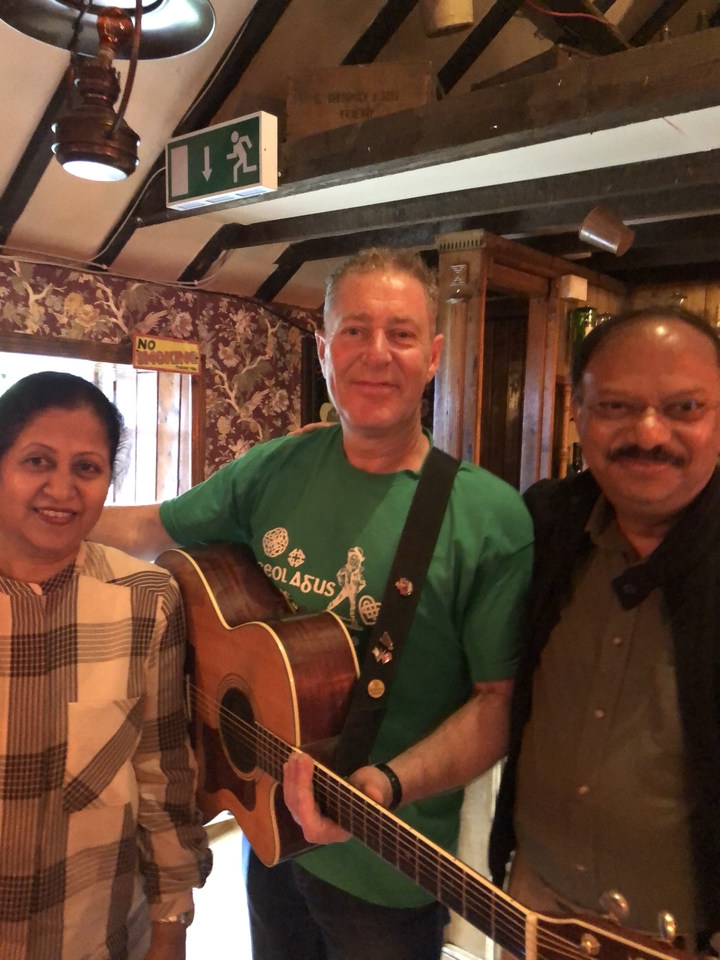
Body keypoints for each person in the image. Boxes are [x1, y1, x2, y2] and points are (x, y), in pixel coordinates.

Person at [90, 249, 534, 960]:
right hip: (270, 834)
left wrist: (389, 784)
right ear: (324, 350)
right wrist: (37, 519)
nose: (376, 355)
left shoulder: (488, 517)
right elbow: (152, 529)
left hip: (388, 870)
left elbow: (497, 702)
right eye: (354, 331)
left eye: (402, 333)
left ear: (434, 356)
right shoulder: (276, 467)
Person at [487, 307, 720, 955]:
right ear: (579, 415)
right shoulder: (544, 524)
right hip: (537, 904)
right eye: (617, 406)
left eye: (685, 407)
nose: (649, 433)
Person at [0, 372, 211, 960]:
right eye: (37, 460)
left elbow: (163, 775)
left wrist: (171, 926)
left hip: (98, 932)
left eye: (87, 468)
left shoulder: (145, 598)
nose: (61, 489)